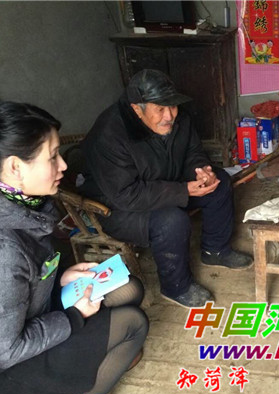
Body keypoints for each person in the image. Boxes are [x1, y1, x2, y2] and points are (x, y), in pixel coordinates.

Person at [0, 102, 149, 394]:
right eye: (52, 156)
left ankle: (106, 355)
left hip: (35, 312)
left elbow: (27, 272)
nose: (63, 165)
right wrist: (75, 316)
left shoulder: (22, 203)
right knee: (133, 323)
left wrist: (61, 275)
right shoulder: (0, 249)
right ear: (15, 167)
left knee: (129, 287)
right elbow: (5, 350)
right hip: (9, 368)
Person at [80, 69, 253, 308]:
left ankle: (216, 250)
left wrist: (201, 171)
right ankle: (176, 287)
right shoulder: (110, 134)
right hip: (117, 207)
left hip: (165, 181)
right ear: (136, 109)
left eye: (172, 106)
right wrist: (183, 191)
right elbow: (126, 195)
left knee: (219, 183)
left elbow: (193, 152)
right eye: (160, 109)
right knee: (171, 220)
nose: (169, 115)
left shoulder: (179, 118)